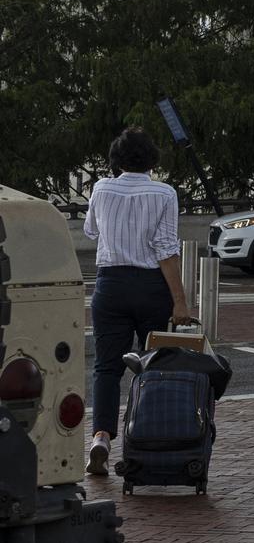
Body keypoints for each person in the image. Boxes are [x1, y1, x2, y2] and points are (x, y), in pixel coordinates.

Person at [83, 126, 193, 475]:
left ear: (116, 160)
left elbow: (90, 231)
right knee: (152, 367)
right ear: (151, 159)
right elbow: (165, 248)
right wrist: (180, 301)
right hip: (151, 286)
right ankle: (146, 441)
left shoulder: (101, 188)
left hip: (110, 285)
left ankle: (101, 436)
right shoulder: (164, 193)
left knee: (106, 367)